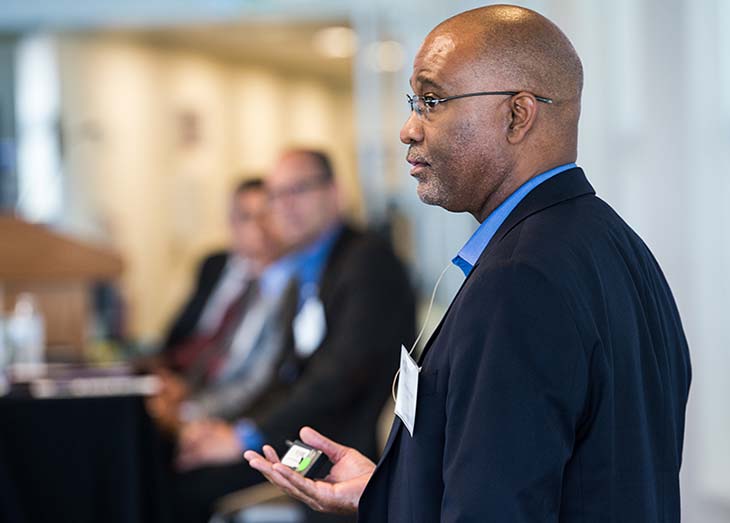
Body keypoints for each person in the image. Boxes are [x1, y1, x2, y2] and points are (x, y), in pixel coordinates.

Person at [245, 5, 692, 523]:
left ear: (517, 115)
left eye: (432, 101)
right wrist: (387, 490)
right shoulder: (611, 243)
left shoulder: (519, 282)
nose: (408, 129)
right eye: (415, 102)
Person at [173, 149, 415, 523]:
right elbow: (283, 374)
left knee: (185, 486)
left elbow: (338, 377)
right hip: (298, 433)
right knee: (172, 460)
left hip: (341, 446)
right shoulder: (305, 267)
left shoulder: (367, 262)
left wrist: (242, 438)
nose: (284, 206)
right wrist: (231, 429)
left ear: (335, 193)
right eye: (275, 195)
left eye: (298, 190)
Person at [146, 178, 283, 432]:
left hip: (221, 407)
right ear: (230, 223)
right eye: (246, 217)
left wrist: (188, 410)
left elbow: (253, 377)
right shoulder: (214, 265)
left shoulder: (280, 282)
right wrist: (168, 378)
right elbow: (184, 334)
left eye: (265, 216)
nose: (258, 228)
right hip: (183, 382)